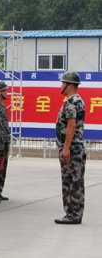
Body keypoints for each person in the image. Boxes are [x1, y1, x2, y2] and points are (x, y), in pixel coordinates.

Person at [55, 71, 86, 225]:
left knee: (70, 182)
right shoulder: (78, 101)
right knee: (77, 182)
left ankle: (72, 214)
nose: (61, 86)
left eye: (63, 83)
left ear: (70, 85)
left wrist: (66, 148)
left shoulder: (71, 102)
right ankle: (76, 213)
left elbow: (71, 125)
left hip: (72, 149)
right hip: (76, 148)